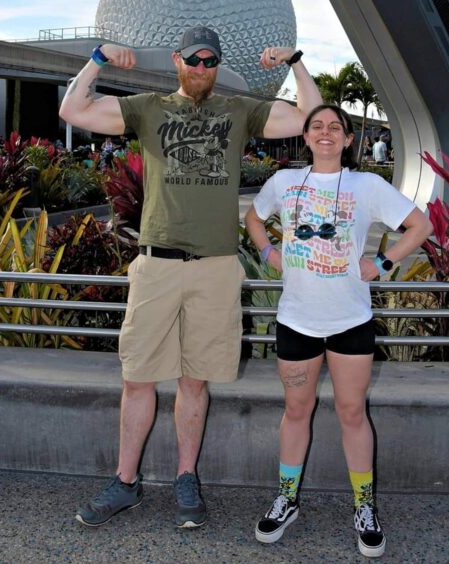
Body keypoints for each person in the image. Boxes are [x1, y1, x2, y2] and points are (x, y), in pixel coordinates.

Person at [59, 26, 322, 529]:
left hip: (216, 266)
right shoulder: (148, 107)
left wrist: (296, 61)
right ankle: (125, 481)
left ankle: (185, 477)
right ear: (177, 60)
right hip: (156, 263)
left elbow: (308, 116)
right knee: (137, 377)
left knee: (193, 379)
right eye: (194, 60)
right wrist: (97, 59)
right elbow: (73, 110)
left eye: (210, 61)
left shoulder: (239, 110)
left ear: (217, 66)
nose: (202, 68)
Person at [245, 104, 432, 557]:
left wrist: (382, 263)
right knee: (296, 410)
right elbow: (253, 217)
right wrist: (270, 254)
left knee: (352, 413)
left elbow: (419, 226)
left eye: (335, 128)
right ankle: (287, 499)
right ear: (305, 137)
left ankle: (363, 507)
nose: (325, 133)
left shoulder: (366, 185)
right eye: (317, 127)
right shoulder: (285, 182)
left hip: (350, 321)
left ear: (348, 139)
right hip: (296, 321)